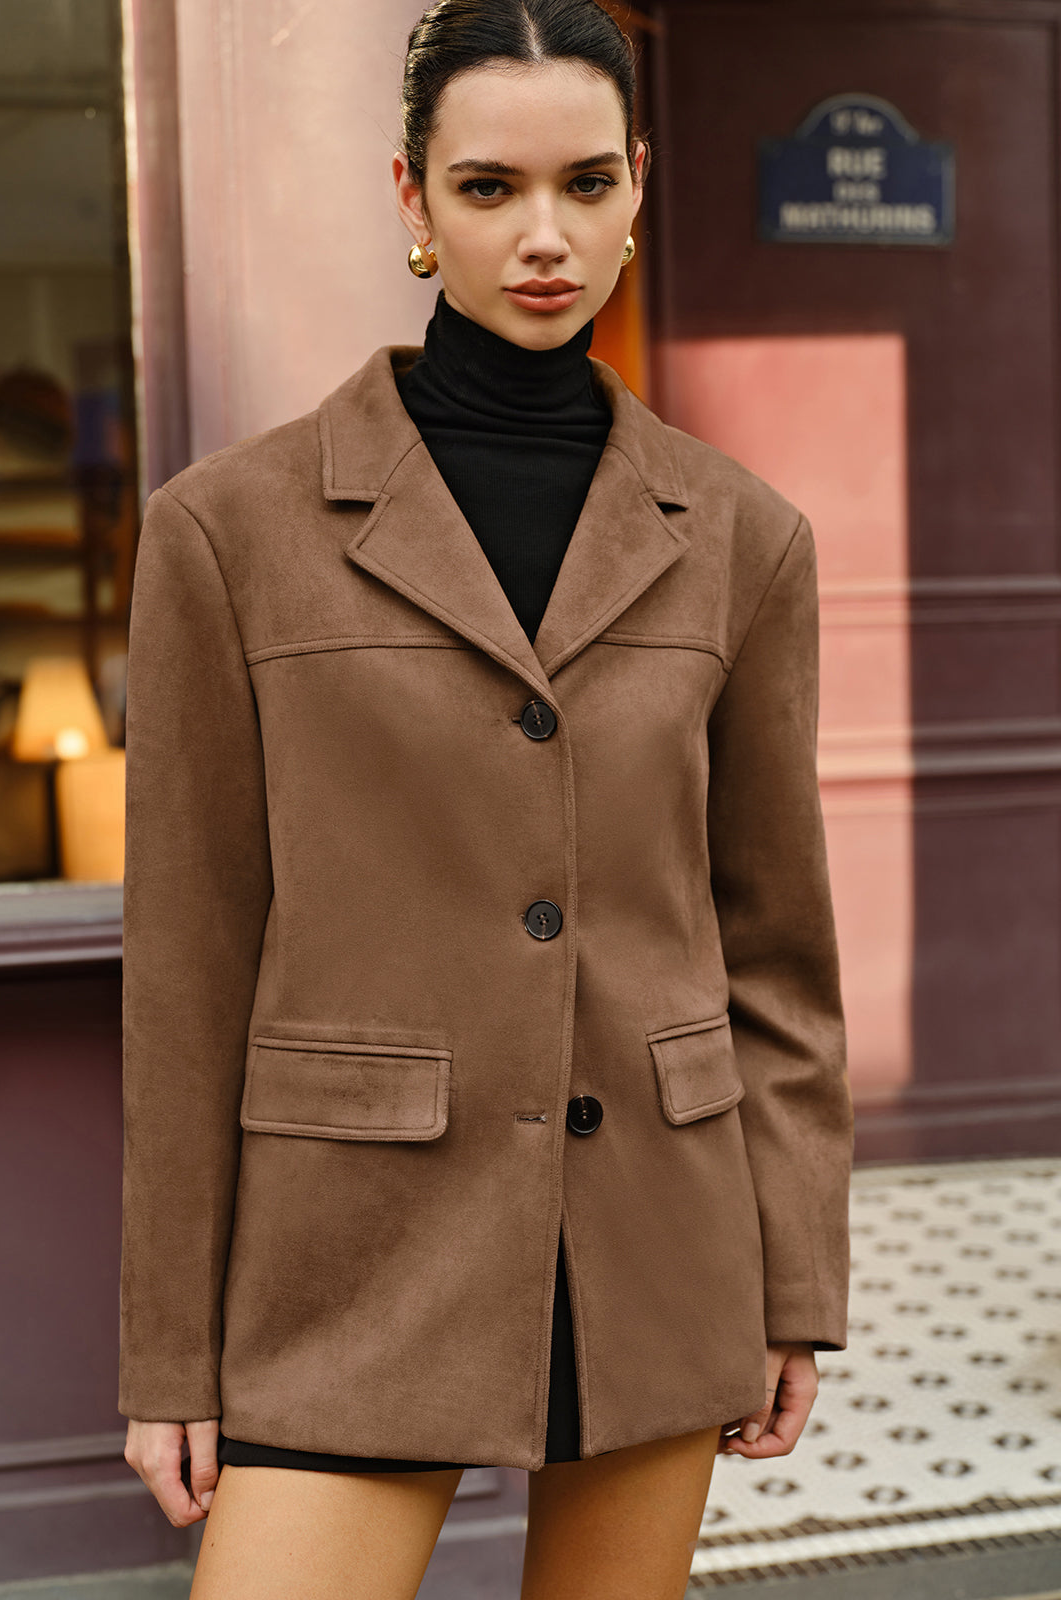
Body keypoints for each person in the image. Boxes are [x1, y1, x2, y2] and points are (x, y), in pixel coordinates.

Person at [118, 2, 855, 1595]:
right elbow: (187, 970)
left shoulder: (743, 538)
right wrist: (169, 1348)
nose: (545, 237)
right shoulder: (226, 533)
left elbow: (776, 956)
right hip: (351, 1244)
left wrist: (796, 1283)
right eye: (487, 189)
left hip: (655, 1230)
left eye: (588, 186)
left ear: (640, 188)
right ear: (409, 197)